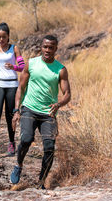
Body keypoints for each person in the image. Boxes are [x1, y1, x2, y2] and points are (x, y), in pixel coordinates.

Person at [10, 34, 71, 188]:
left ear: (56, 49)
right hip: (29, 108)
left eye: (51, 47)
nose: (47, 50)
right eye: (45, 47)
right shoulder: (31, 64)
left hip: (48, 113)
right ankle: (18, 164)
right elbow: (21, 87)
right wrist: (17, 110)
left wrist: (59, 104)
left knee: (49, 148)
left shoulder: (61, 69)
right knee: (26, 139)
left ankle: (41, 182)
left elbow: (67, 94)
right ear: (41, 47)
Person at [0, 22, 25, 155]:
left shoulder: (14, 49)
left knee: (10, 116)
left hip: (12, 85)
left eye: (3, 37)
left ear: (8, 36)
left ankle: (11, 143)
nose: (1, 40)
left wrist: (13, 67)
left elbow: (22, 67)